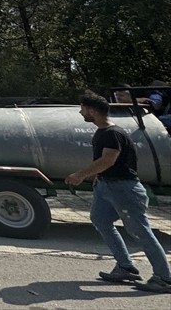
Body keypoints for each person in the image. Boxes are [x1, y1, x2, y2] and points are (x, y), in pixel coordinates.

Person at [67, 93, 170, 294]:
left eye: (83, 109)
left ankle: (164, 278)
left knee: (141, 232)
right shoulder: (104, 132)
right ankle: (125, 267)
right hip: (107, 186)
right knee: (100, 220)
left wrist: (80, 175)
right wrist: (98, 178)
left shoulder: (112, 133)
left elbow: (108, 160)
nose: (81, 112)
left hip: (124, 189)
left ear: (93, 111)